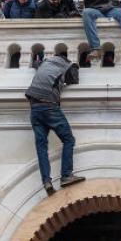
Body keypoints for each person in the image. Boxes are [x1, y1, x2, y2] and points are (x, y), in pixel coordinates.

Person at [25, 54, 85, 196]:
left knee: (41, 147)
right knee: (68, 139)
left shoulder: (44, 63)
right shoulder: (66, 65)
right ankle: (66, 175)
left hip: (34, 107)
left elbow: (35, 63)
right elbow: (74, 79)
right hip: (49, 106)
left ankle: (47, 181)